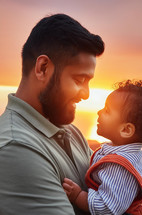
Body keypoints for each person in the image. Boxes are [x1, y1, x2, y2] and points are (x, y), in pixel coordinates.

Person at [0, 14, 104, 215]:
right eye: (79, 79)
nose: (86, 94)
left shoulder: (72, 134)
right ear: (43, 68)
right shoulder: (16, 148)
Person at [63, 79, 142, 215]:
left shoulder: (118, 166)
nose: (99, 112)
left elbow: (107, 209)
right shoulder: (133, 157)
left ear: (126, 130)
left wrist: (77, 196)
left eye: (107, 110)